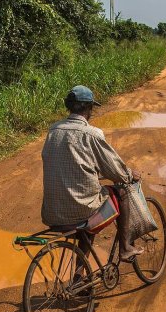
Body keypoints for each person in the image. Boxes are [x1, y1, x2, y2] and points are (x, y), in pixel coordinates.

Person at [41, 85, 144, 262]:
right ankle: (126, 247)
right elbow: (115, 170)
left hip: (51, 213)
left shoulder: (53, 130)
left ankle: (79, 277)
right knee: (121, 192)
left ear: (69, 106)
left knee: (88, 212)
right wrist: (129, 175)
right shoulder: (92, 134)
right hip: (81, 211)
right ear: (89, 108)